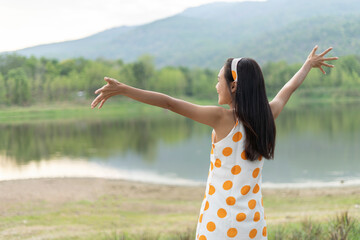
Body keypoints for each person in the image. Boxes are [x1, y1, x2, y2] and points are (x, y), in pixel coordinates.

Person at [91, 46, 337, 240]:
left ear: (233, 86)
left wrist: (124, 90)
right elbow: (288, 89)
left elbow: (170, 103)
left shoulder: (221, 118)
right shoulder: (267, 115)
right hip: (253, 224)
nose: (216, 85)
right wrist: (307, 65)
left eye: (219, 79)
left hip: (218, 224)